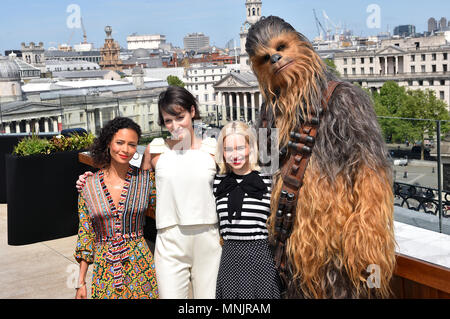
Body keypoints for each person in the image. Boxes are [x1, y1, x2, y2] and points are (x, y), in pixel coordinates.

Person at [142, 86, 222, 299]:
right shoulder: (156, 149)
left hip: (207, 239)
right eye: (168, 120)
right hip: (169, 240)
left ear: (192, 112)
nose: (174, 126)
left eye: (179, 117)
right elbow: (131, 185)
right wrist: (92, 180)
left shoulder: (213, 150)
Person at [74, 117, 158, 299]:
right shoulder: (88, 185)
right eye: (120, 142)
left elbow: (168, 212)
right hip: (105, 269)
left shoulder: (146, 181)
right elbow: (85, 235)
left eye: (132, 145)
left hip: (141, 268)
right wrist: (80, 282)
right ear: (108, 143)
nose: (125, 150)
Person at [214, 121, 281, 299]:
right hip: (229, 259)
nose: (234, 155)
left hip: (260, 257)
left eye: (240, 148)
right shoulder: (217, 183)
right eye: (228, 149)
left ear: (250, 147)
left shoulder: (269, 181)